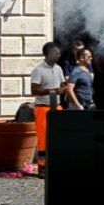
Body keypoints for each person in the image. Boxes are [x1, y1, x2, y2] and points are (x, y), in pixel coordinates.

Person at [30, 42, 67, 174]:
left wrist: (64, 89)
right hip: (43, 107)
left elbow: (62, 84)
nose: (59, 55)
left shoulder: (58, 69)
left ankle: (56, 163)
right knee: (43, 137)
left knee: (59, 136)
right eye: (56, 53)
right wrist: (53, 91)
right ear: (49, 53)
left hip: (56, 106)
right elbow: (34, 90)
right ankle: (42, 166)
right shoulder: (38, 70)